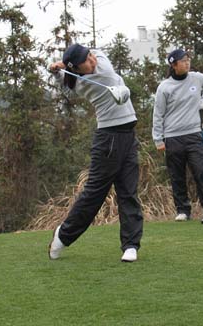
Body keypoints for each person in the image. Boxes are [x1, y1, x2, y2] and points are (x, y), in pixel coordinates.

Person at [47, 43, 143, 262]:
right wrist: (62, 66)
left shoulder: (78, 76)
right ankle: (63, 235)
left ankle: (131, 245)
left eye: (90, 55)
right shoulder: (101, 75)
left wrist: (59, 68)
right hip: (109, 139)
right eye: (86, 61)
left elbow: (69, 77)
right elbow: (97, 60)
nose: (93, 60)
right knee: (95, 194)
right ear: (77, 69)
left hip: (128, 136)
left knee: (128, 192)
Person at [152, 49, 203, 222]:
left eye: (188, 59)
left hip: (194, 134)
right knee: (177, 175)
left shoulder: (196, 78)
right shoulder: (165, 87)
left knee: (201, 172)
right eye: (183, 61)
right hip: (172, 136)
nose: (187, 63)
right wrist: (158, 139)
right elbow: (158, 114)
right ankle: (183, 210)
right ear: (174, 65)